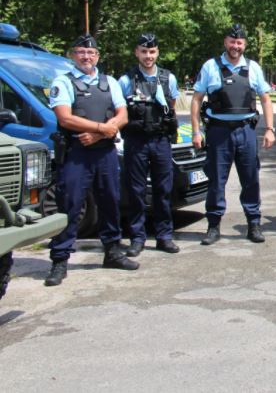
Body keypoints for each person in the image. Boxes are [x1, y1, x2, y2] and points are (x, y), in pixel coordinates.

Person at [44, 35, 136, 286]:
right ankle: (60, 259)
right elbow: (65, 118)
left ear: (98, 56)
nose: (86, 56)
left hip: (105, 152)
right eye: (81, 52)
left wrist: (99, 133)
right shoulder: (63, 82)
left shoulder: (110, 82)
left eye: (91, 53)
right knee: (70, 205)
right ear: (73, 55)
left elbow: (123, 115)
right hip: (77, 153)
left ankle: (113, 252)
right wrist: (101, 127)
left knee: (110, 202)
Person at [190, 24, 275, 245]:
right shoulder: (210, 66)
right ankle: (213, 226)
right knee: (216, 181)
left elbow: (265, 99)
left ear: (245, 44)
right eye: (232, 41)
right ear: (225, 42)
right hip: (219, 133)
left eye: (239, 43)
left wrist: (269, 129)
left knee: (250, 180)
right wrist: (196, 130)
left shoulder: (253, 67)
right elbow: (197, 99)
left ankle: (254, 224)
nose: (235, 46)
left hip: (245, 131)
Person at [118, 32, 181, 256]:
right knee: (136, 191)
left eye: (152, 51)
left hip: (160, 140)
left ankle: (164, 236)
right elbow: (119, 110)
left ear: (157, 52)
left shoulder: (168, 78)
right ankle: (137, 238)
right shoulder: (126, 80)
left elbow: (170, 106)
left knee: (163, 190)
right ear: (136, 52)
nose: (148, 56)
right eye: (144, 51)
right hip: (136, 141)